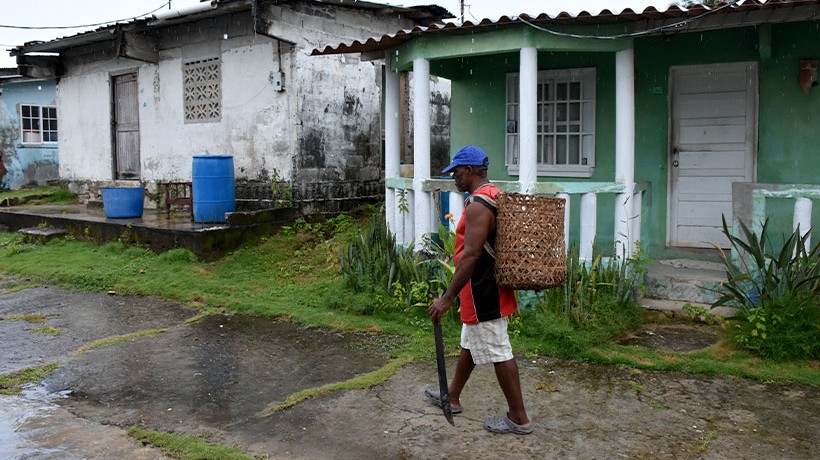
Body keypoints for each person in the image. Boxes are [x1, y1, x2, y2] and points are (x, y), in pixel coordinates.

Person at [426, 145, 532, 435]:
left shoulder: (477, 206)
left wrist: (446, 299)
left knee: (498, 349)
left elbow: (472, 255)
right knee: (471, 343)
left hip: (482, 289)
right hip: (488, 286)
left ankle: (519, 417)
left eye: (456, 172)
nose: (454, 178)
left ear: (469, 170)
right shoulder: (493, 195)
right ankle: (452, 396)